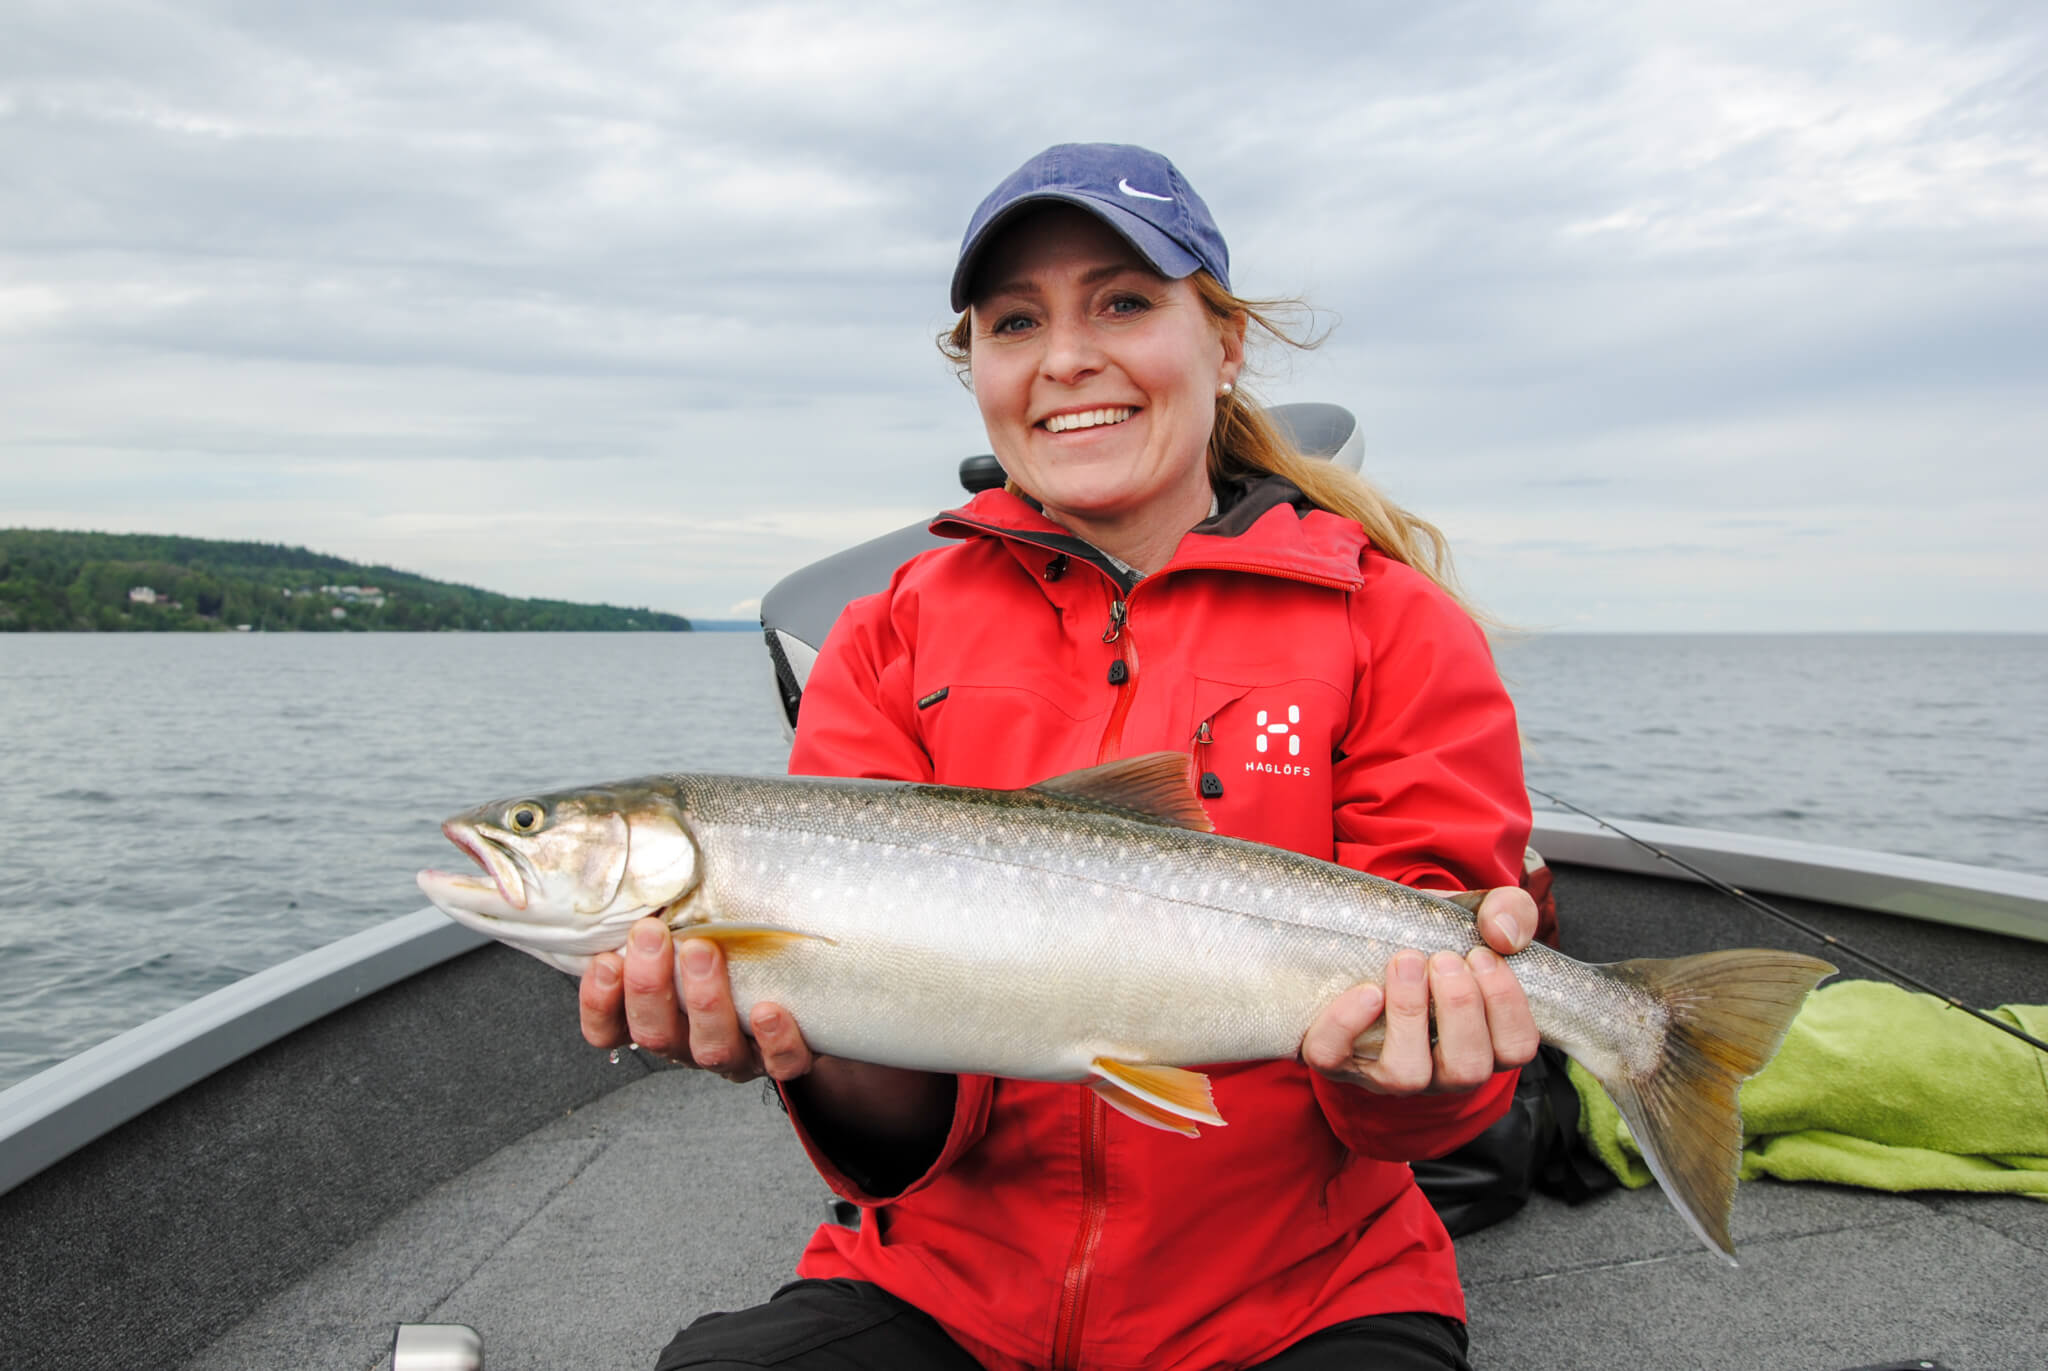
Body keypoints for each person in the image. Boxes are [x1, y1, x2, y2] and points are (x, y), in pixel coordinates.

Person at [579, 143, 1541, 1371]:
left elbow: (1432, 1102)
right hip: (941, 1289)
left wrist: (1419, 1076)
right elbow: (896, 1094)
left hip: (1308, 1295)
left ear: (1225, 341)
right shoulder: (886, 634)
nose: (1064, 358)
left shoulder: (1394, 623)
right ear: (976, 367)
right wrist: (796, 1038)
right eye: (1013, 321)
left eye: (1123, 302)